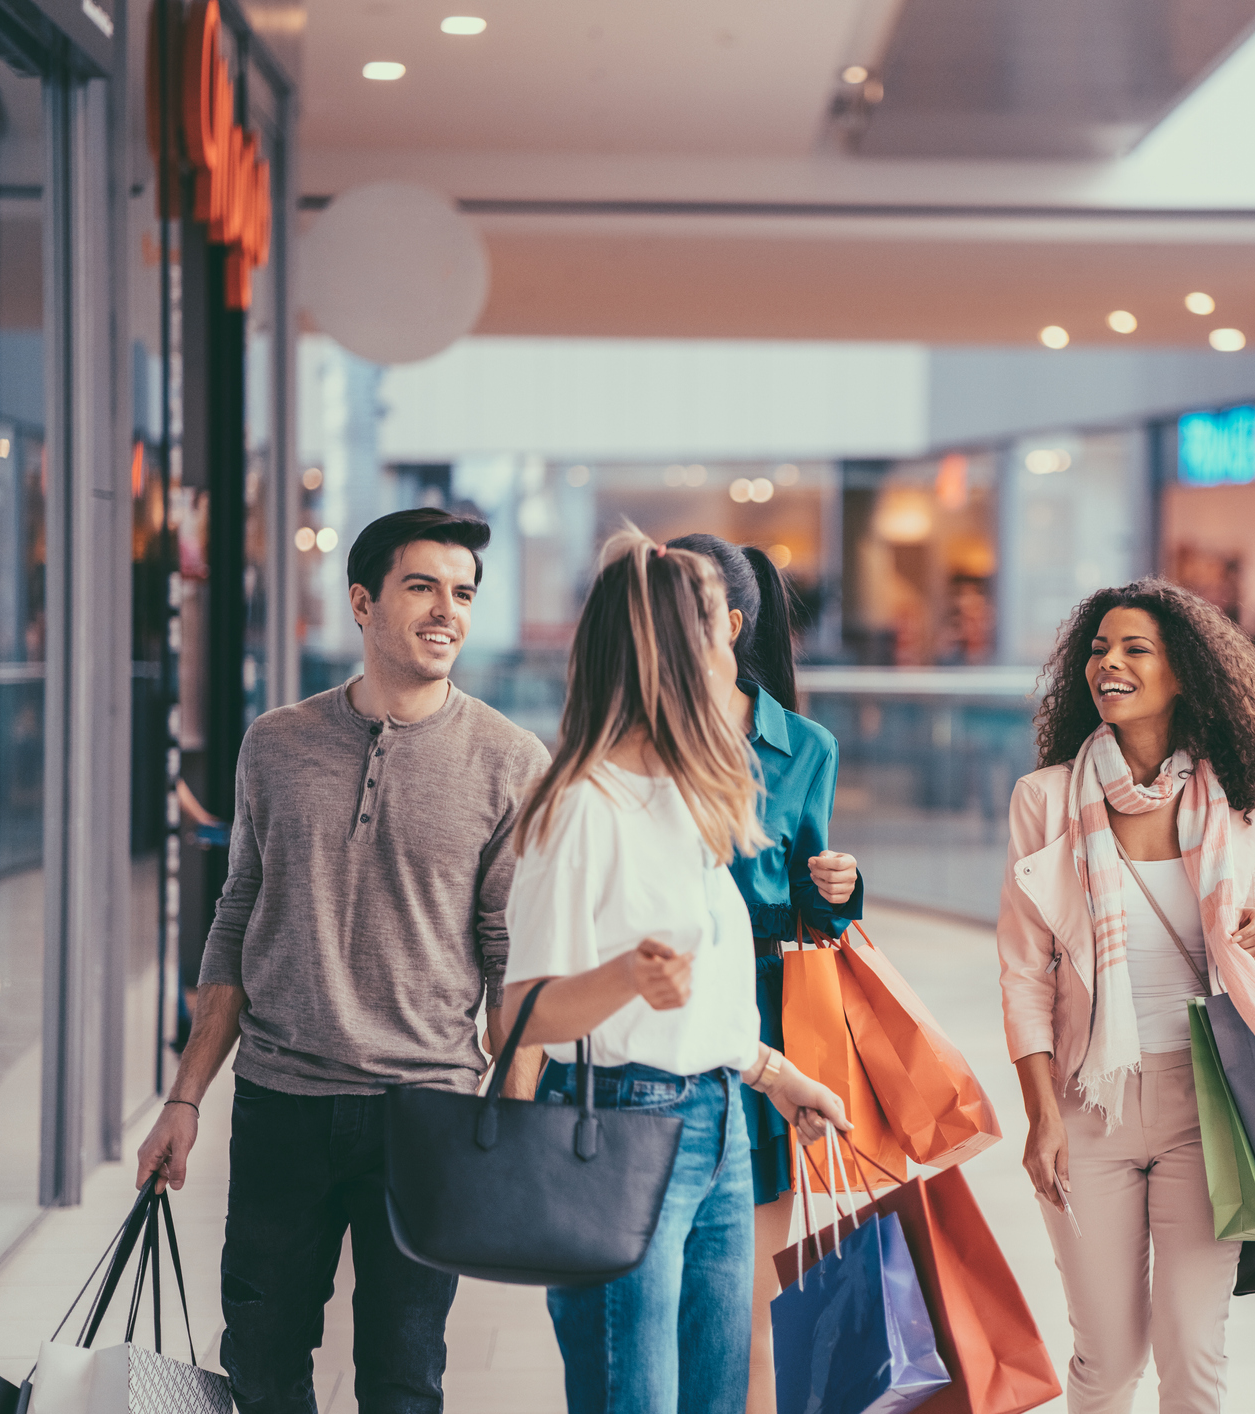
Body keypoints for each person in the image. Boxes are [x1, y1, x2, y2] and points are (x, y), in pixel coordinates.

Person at [134, 507, 552, 1414]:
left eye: (464, 593)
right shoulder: (275, 745)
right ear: (362, 603)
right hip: (282, 1098)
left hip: (427, 1112)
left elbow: (512, 962)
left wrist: (506, 1133)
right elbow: (238, 915)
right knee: (262, 1363)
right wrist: (183, 1097)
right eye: (423, 587)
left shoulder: (510, 761)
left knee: (404, 1378)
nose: (448, 610)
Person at [500, 531, 850, 1414]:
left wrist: (779, 1077)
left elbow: (712, 1002)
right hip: (620, 1126)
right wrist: (623, 978)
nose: (731, 642)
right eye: (706, 628)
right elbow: (511, 1020)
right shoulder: (581, 809)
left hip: (720, 1116)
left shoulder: (698, 798)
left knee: (716, 1399)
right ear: (655, 653)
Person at [995, 579, 1255, 1414]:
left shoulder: (1238, 798)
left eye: (1136, 649)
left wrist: (1254, 932)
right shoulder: (1046, 801)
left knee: (1193, 1353)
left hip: (1206, 1102)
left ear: (1184, 674)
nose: (1110, 663)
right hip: (1087, 1102)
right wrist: (1042, 1116)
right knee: (1108, 1360)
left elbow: (1253, 918)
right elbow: (1024, 972)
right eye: (1099, 648)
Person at [666, 533, 862, 1414]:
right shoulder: (635, 735)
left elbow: (815, 914)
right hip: (657, 1030)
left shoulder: (805, 747)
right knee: (656, 1310)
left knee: (747, 1310)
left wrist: (841, 891)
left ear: (731, 622)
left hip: (760, 1035)